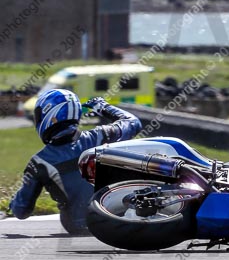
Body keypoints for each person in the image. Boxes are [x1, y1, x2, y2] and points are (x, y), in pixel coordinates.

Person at [9, 89, 142, 235]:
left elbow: (21, 211)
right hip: (121, 214)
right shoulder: (99, 136)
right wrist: (103, 107)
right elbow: (133, 123)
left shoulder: (39, 162)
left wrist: (12, 203)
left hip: (80, 225)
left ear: (51, 114)